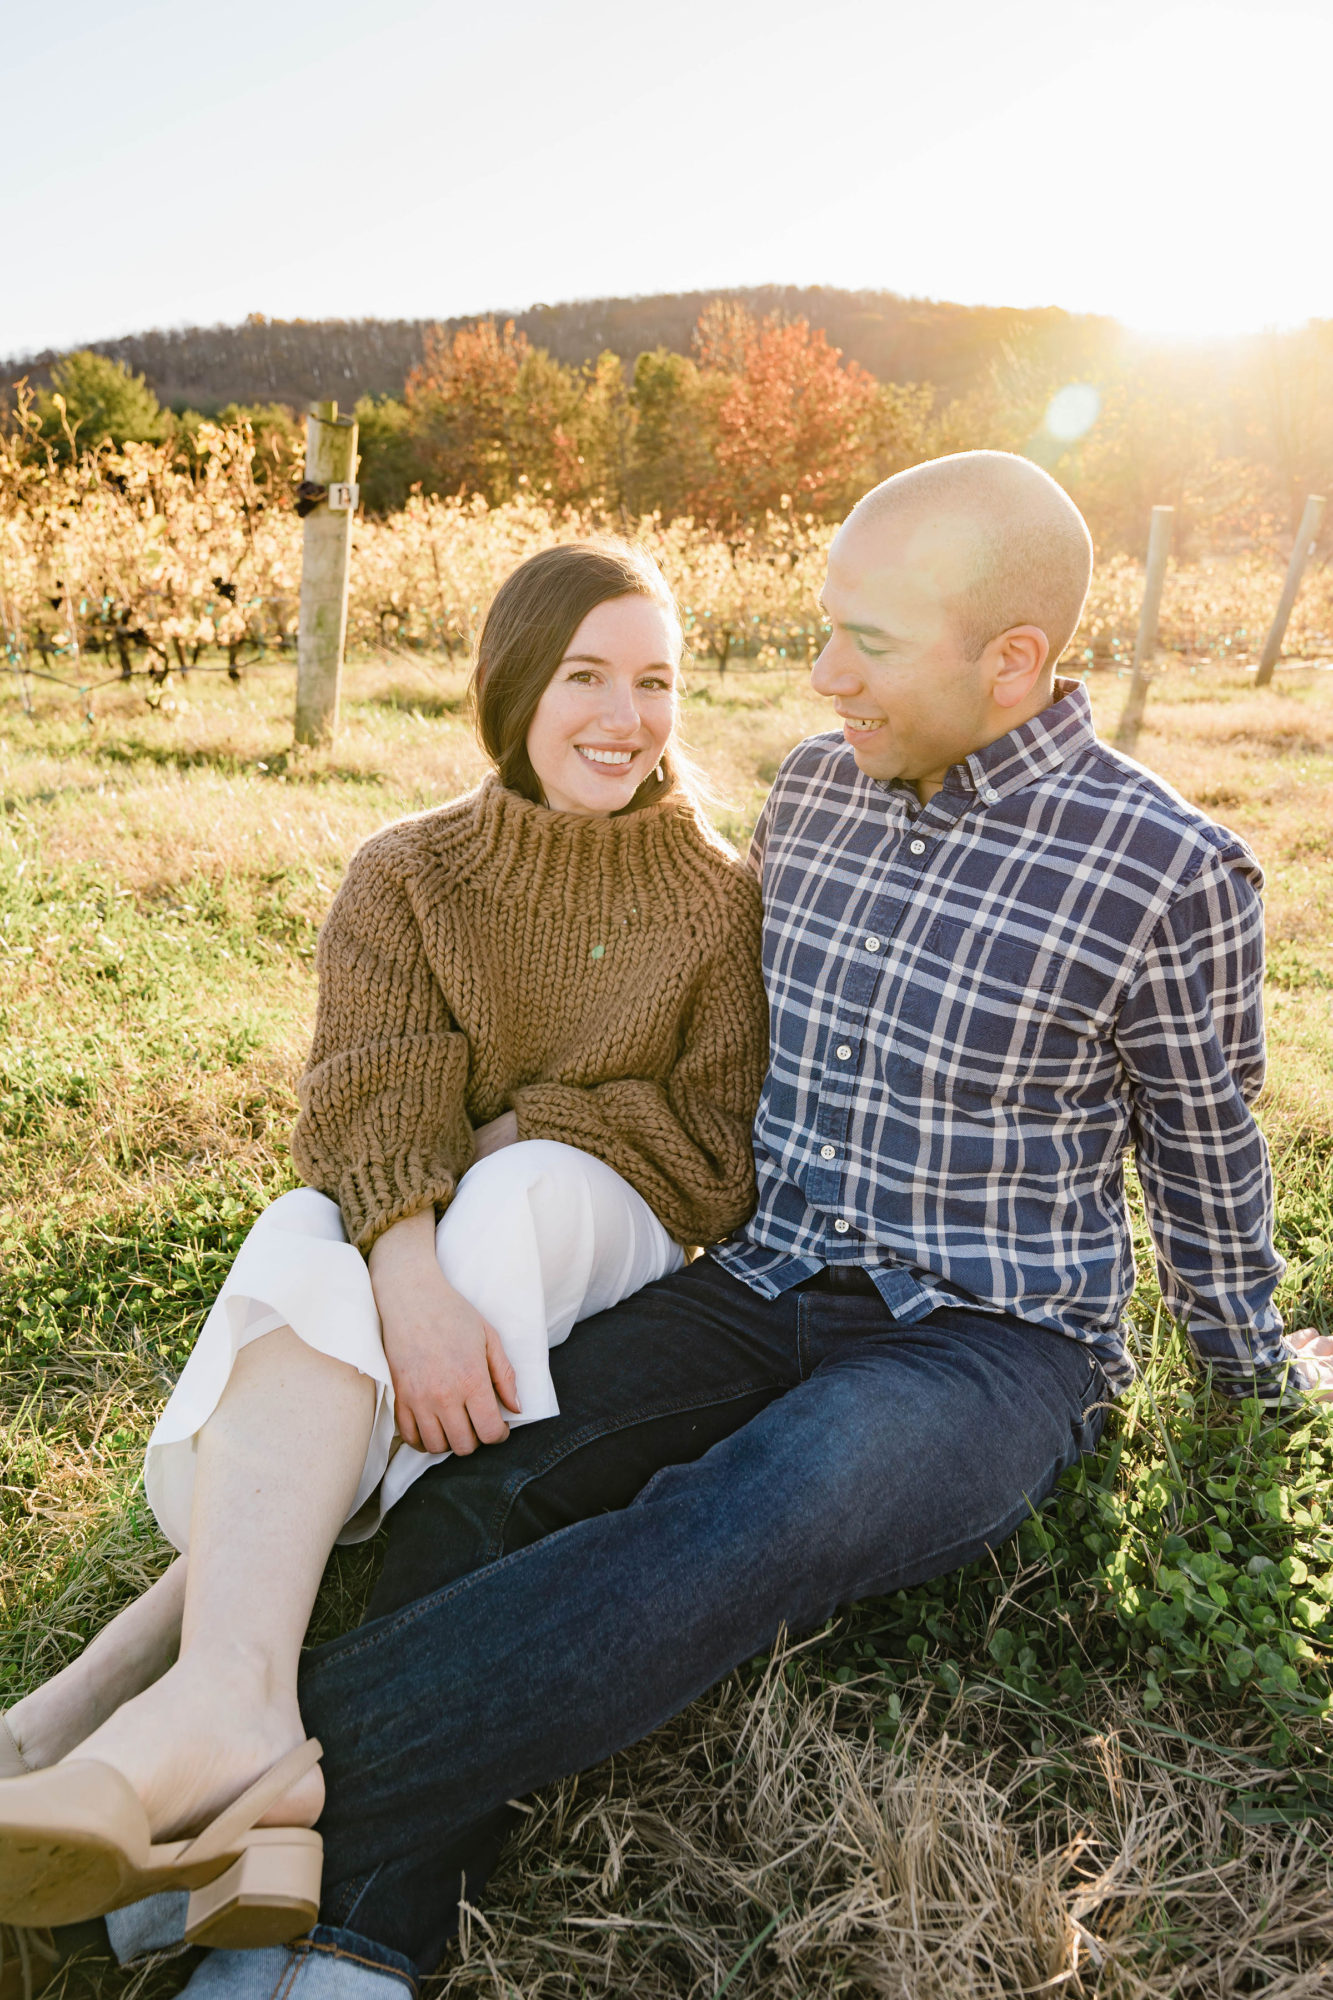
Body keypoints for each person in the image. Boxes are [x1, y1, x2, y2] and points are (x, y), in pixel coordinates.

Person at [13, 450, 1333, 1995]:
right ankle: (354, 1925)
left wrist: (1255, 1374)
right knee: (476, 1479)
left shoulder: (1170, 870)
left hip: (986, 1342)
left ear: (1013, 664)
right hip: (764, 1279)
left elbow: (1204, 1160)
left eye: (867, 644)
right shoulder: (819, 792)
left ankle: (210, 1813)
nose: (821, 674)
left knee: (745, 1511)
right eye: (820, 630)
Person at [0, 541, 767, 1943]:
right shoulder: (407, 874)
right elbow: (362, 1101)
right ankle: (237, 1714)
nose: (625, 715)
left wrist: (504, 1130)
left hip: (616, 1218)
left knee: (522, 1185)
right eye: (585, 675)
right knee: (306, 1227)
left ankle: (116, 1680)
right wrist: (404, 1268)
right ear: (511, 687)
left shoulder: (723, 899)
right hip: (451, 1232)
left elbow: (713, 1152)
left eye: (654, 681)